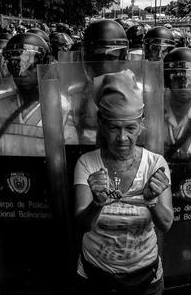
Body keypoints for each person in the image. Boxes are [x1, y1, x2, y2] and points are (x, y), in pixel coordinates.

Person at [74, 70, 173, 295]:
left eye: (130, 128)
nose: (122, 138)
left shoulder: (155, 163)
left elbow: (166, 224)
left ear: (141, 124)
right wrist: (96, 204)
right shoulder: (87, 163)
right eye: (113, 128)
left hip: (145, 280)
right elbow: (80, 225)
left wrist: (152, 201)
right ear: (101, 122)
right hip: (94, 277)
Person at [0, 33, 53, 155]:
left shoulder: (58, 106)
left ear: (45, 67)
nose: (22, 73)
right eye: (15, 66)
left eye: (30, 66)